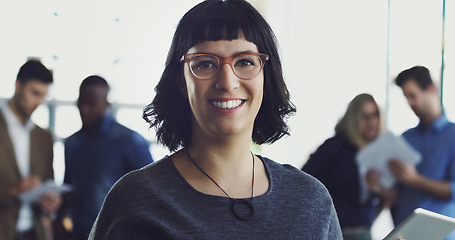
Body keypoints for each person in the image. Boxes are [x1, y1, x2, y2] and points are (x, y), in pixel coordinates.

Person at [88, 0, 342, 239]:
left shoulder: (311, 200)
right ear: (181, 81)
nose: (227, 82)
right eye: (205, 64)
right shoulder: (136, 199)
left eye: (244, 62)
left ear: (266, 76)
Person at [59, 75, 154, 240]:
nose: (84, 109)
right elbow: (67, 189)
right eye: (81, 103)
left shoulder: (129, 141)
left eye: (92, 103)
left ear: (106, 105)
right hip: (76, 234)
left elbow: (151, 192)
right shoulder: (72, 143)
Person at [368, 66, 455, 240]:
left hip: (440, 235)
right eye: (406, 97)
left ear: (430, 90)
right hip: (405, 234)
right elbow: (398, 193)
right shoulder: (406, 138)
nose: (409, 102)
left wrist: (415, 179)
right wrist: (378, 186)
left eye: (413, 96)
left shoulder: (452, 136)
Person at [302, 93, 383, 240]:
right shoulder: (334, 147)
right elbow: (304, 181)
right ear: (354, 119)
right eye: (366, 116)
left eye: (375, 115)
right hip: (337, 231)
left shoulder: (376, 151)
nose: (372, 122)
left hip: (364, 230)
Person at [0, 60, 62, 240]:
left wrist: (50, 200)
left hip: (34, 233)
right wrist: (13, 191)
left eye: (43, 96)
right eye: (35, 93)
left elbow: (48, 180)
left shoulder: (43, 137)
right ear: (18, 86)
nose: (39, 102)